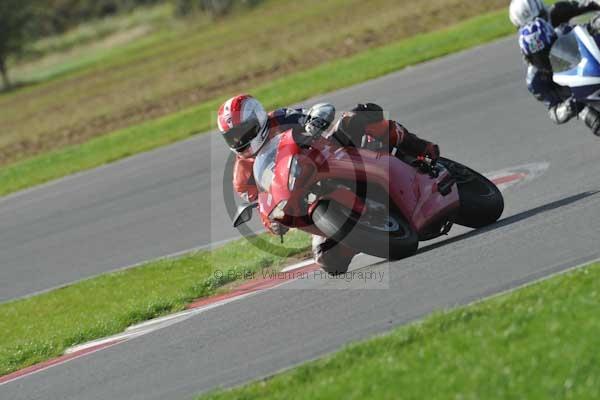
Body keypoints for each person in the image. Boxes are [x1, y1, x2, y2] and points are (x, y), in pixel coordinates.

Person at [218, 94, 440, 274]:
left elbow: (318, 110)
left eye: (243, 132)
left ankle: (417, 147)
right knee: (328, 260)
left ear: (258, 120)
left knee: (359, 115)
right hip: (310, 200)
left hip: (328, 157)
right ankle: (366, 226)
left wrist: (316, 120)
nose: (239, 141)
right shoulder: (242, 177)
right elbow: (264, 205)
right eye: (232, 137)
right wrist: (272, 223)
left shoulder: (280, 118)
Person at [510, 0, 600, 135]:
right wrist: (568, 108)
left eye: (546, 52)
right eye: (537, 58)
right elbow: (553, 111)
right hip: (577, 97)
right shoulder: (535, 80)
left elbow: (587, 29)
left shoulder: (563, 31)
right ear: (527, 58)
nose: (544, 60)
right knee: (594, 121)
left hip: (590, 64)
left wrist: (596, 24)